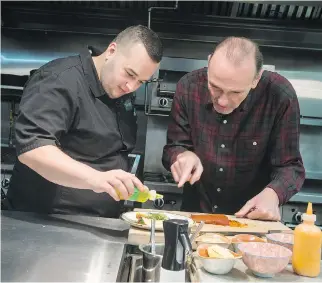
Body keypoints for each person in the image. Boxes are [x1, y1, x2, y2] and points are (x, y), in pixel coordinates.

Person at [7, 25, 163, 218]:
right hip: (50, 221)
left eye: (141, 82)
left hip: (99, 219)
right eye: (130, 74)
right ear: (111, 51)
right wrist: (95, 178)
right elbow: (33, 149)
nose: (131, 86)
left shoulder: (119, 89)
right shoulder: (59, 79)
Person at [162, 37, 305, 221]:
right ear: (208, 63)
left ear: (256, 79)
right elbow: (173, 148)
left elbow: (290, 166)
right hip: (196, 216)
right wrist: (183, 156)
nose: (222, 101)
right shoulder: (188, 87)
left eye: (235, 92)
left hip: (251, 220)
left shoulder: (279, 95)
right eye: (215, 87)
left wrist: (273, 194)